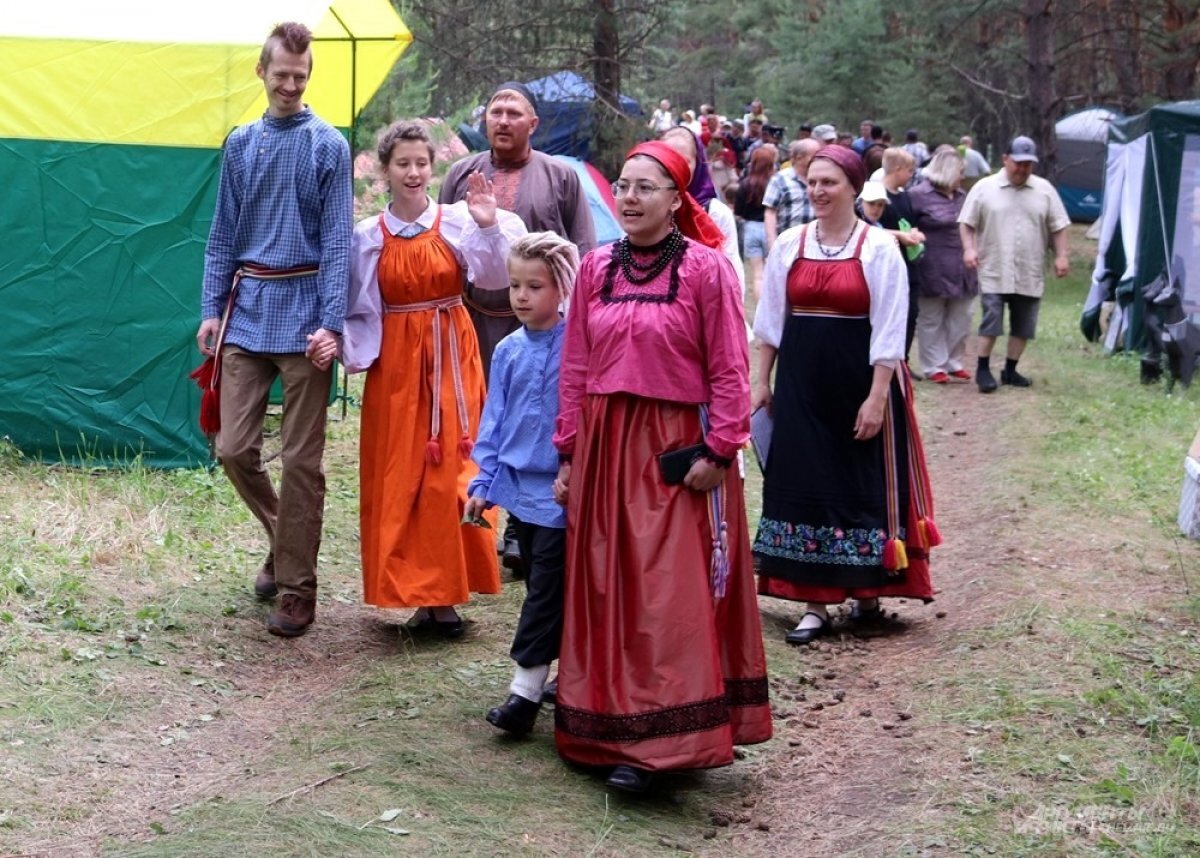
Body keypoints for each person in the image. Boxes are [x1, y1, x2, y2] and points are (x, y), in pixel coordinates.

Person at [552, 141, 771, 793]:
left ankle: (668, 743)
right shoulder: (593, 269)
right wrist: (568, 451)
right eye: (622, 186)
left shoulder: (707, 271)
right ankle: (606, 728)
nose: (628, 197)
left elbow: (731, 367)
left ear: (677, 199)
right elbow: (576, 366)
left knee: (667, 595)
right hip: (605, 447)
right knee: (608, 586)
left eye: (645, 187)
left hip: (678, 450)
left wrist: (720, 449)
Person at [197, 22, 351, 638]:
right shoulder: (241, 143)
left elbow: (339, 241)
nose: (291, 84)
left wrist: (331, 324)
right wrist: (212, 306)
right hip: (248, 308)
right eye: (281, 73)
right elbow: (222, 232)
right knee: (233, 448)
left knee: (303, 462)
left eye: (301, 74)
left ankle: (296, 588)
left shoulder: (328, 146)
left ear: (308, 74)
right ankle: (283, 540)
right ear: (263, 72)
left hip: (307, 314)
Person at [342, 121, 526, 637]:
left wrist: (488, 226)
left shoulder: (458, 222)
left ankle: (447, 593)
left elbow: (493, 278)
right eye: (403, 163)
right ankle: (420, 591)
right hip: (398, 366)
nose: (414, 172)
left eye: (422, 162)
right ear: (385, 171)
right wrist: (353, 351)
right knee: (403, 473)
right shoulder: (367, 237)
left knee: (453, 470)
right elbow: (359, 307)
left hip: (451, 354)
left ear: (433, 167)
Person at [751, 145, 939, 645]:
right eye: (812, 182)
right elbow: (769, 324)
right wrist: (759, 383)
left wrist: (877, 397)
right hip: (801, 389)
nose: (817, 191)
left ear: (855, 188)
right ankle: (816, 605)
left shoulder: (879, 249)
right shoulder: (790, 244)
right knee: (806, 485)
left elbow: (890, 331)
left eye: (828, 182)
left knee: (860, 488)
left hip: (859, 387)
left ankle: (866, 591)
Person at [440, 81, 596, 573]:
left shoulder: (560, 176)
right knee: (482, 416)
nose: (502, 120)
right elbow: (443, 245)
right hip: (473, 320)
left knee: (535, 417)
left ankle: (522, 524)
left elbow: (584, 253)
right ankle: (478, 505)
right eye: (495, 111)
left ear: (534, 123)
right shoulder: (461, 173)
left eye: (514, 112)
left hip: (542, 332)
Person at [467, 232, 578, 736]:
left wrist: (572, 464)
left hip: (560, 495)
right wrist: (484, 481)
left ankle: (524, 693)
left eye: (535, 286)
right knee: (541, 584)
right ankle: (571, 674)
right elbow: (494, 419)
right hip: (520, 494)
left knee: (545, 594)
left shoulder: (580, 344)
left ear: (561, 288)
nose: (521, 296)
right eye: (515, 285)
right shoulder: (509, 350)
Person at [959, 135, 1070, 392]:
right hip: (994, 266)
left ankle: (1010, 370)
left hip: (1028, 269)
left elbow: (1059, 225)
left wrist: (1063, 255)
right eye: (1018, 163)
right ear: (1005, 159)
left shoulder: (1044, 190)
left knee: (1024, 323)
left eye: (1028, 164)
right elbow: (967, 223)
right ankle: (983, 369)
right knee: (992, 319)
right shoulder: (985, 188)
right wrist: (969, 249)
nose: (1022, 169)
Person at [909, 148, 977, 383]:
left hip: (963, 266)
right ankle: (933, 366)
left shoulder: (963, 196)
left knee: (963, 316)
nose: (962, 176)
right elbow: (908, 227)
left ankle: (953, 361)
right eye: (960, 172)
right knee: (931, 317)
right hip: (932, 265)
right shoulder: (917, 195)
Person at [659, 126, 746, 294]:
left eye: (684, 161)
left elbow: (732, 273)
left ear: (697, 162)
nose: (675, 167)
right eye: (667, 159)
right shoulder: (646, 207)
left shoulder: (716, 213)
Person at [877, 147, 926, 354]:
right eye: (909, 171)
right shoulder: (876, 195)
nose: (911, 175)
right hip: (885, 267)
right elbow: (868, 228)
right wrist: (899, 236)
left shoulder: (904, 197)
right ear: (897, 169)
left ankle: (902, 359)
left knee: (910, 313)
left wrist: (915, 234)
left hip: (908, 266)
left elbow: (910, 223)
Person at [735, 145, 776, 298]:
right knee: (771, 272)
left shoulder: (745, 184)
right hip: (770, 229)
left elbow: (738, 211)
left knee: (757, 275)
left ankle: (760, 307)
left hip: (750, 228)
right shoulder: (774, 184)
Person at [764, 138, 820, 249]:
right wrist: (772, 243)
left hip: (816, 245)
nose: (818, 159)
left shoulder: (820, 179)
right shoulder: (780, 179)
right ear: (799, 157)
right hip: (787, 245)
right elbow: (770, 213)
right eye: (815, 156)